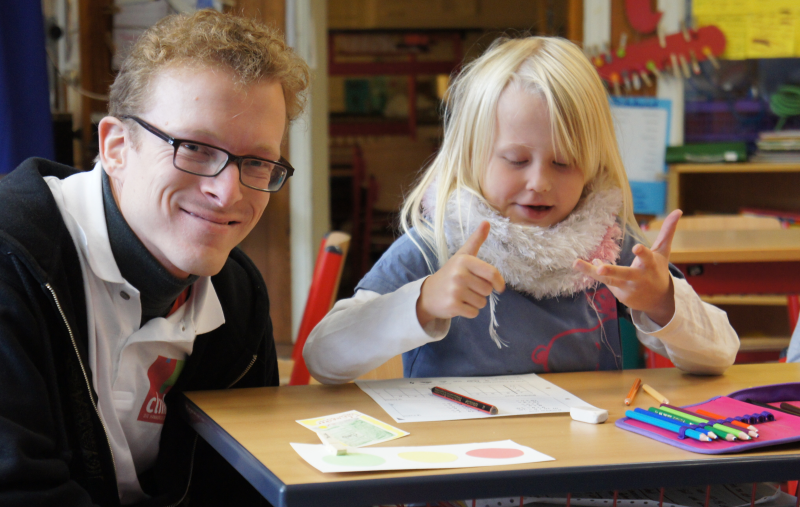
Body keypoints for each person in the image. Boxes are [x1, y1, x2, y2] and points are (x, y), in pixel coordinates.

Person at [0, 10, 309, 507]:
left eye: (256, 161)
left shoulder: (237, 294)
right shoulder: (13, 263)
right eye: (195, 148)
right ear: (116, 147)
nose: (227, 192)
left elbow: (243, 486)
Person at [303, 36, 739, 384]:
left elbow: (720, 353)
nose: (539, 182)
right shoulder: (436, 245)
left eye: (563, 163)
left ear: (592, 166)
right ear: (472, 156)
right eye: (515, 160)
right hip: (462, 461)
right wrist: (424, 301)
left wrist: (663, 302)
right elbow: (323, 357)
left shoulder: (609, 246)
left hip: (581, 460)